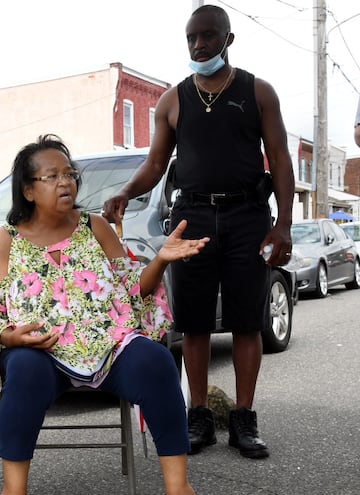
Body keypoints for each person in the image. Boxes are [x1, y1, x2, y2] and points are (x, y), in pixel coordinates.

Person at [0, 134, 208, 495]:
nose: (66, 182)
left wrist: (160, 260)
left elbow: (133, 291)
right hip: (40, 350)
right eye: (52, 176)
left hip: (105, 345)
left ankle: (179, 491)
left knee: (156, 359)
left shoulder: (93, 227)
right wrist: (11, 337)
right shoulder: (7, 239)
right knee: (25, 371)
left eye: (69, 174)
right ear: (28, 190)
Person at [103, 5, 294, 460]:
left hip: (248, 215)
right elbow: (154, 163)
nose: (198, 45)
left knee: (248, 319)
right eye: (192, 37)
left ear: (228, 40)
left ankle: (244, 419)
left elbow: (281, 158)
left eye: (208, 36)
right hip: (192, 217)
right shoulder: (174, 99)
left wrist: (283, 223)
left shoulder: (257, 92)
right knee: (194, 322)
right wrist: (126, 192)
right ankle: (200, 416)